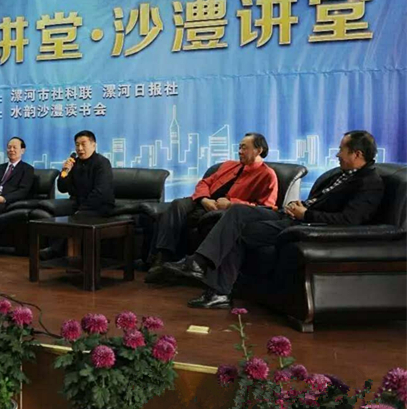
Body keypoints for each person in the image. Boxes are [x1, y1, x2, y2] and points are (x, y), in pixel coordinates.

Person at [151, 131, 384, 309]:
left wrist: (306, 214)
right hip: (290, 216)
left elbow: (349, 220)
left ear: (357, 154)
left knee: (236, 222)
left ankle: (209, 279)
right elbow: (318, 202)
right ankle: (208, 279)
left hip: (305, 226)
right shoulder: (339, 176)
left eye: (342, 150)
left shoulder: (369, 183)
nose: (337, 154)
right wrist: (299, 205)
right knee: (236, 214)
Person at [146, 133, 278, 270]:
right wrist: (204, 199)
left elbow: (264, 208)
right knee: (176, 205)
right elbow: (204, 183)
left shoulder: (267, 174)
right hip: (203, 201)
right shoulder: (228, 165)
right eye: (239, 147)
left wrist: (231, 203)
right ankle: (163, 257)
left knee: (189, 218)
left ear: (258, 150)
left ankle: (168, 262)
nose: (239, 151)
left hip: (221, 211)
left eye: (244, 148)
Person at [40, 130, 115, 260]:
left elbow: (101, 192)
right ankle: (52, 248)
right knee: (56, 212)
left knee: (77, 216)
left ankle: (55, 250)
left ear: (93, 145)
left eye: (83, 144)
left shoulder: (102, 163)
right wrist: (65, 172)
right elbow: (62, 188)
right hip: (78, 203)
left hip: (99, 205)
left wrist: (82, 208)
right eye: (77, 145)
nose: (80, 148)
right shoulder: (74, 163)